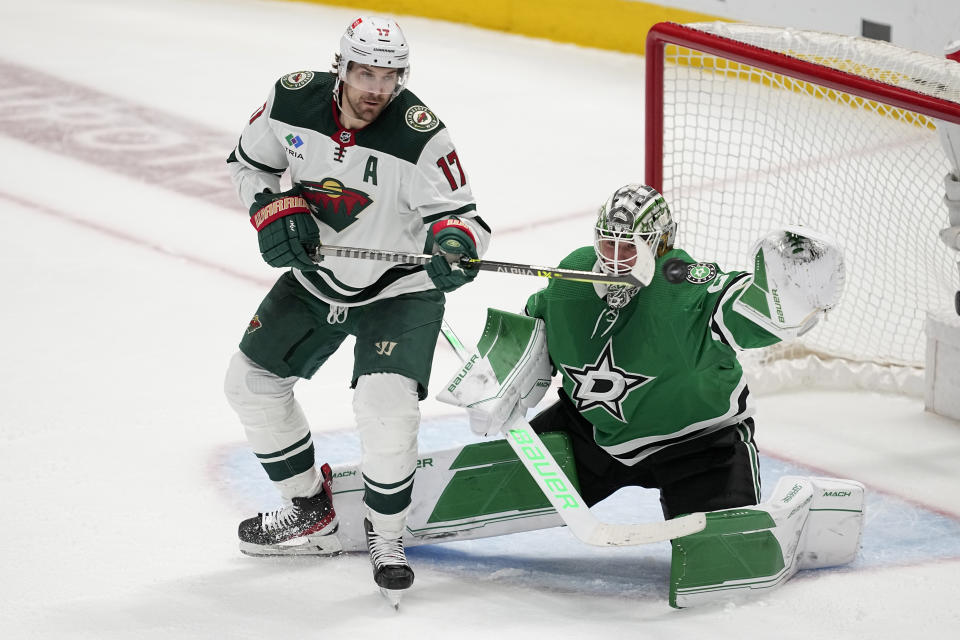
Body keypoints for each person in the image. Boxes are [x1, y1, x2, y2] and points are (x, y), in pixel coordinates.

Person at [222, 15, 491, 602]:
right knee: (249, 383)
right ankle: (307, 509)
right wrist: (270, 207)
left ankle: (387, 533)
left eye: (389, 76)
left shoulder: (421, 135)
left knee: (385, 406)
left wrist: (453, 245)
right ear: (340, 67)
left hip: (400, 288)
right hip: (316, 278)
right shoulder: (291, 98)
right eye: (365, 72)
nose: (375, 88)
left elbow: (465, 220)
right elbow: (250, 164)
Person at [522, 183, 843, 520]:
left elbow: (742, 309)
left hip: (700, 445)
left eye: (629, 248)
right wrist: (501, 377)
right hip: (590, 433)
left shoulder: (682, 283)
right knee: (478, 490)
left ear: (660, 244)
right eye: (607, 243)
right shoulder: (573, 277)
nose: (614, 259)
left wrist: (787, 299)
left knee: (719, 559)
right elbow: (533, 328)